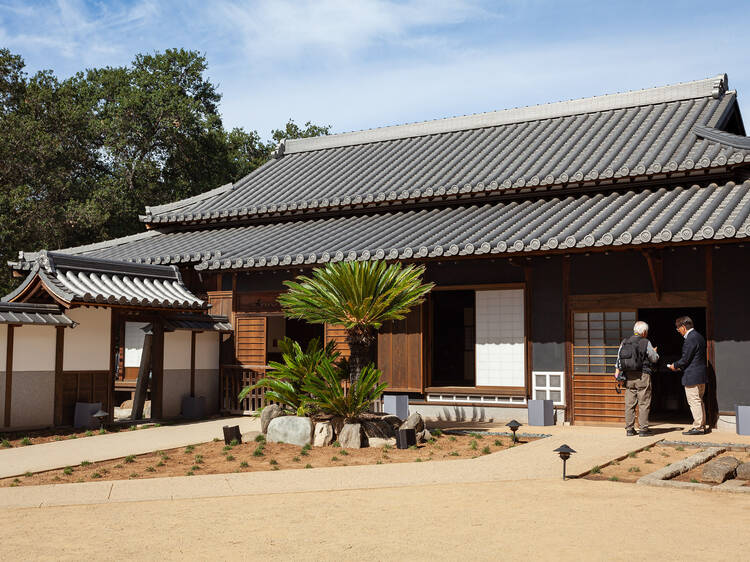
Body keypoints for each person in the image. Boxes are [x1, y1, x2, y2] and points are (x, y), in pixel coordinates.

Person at [615, 321, 659, 437]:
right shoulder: (645, 342)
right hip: (642, 376)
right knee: (644, 403)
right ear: (644, 332)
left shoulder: (624, 342)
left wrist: (617, 375)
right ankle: (643, 429)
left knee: (629, 404)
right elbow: (654, 359)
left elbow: (618, 360)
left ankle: (629, 429)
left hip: (628, 376)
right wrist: (655, 352)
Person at [667, 316, 708, 435]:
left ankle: (698, 427)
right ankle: (702, 425)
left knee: (694, 401)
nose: (678, 331)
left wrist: (675, 365)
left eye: (678, 329)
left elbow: (685, 359)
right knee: (699, 400)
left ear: (683, 327)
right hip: (700, 375)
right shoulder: (699, 336)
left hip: (692, 375)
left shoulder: (690, 338)